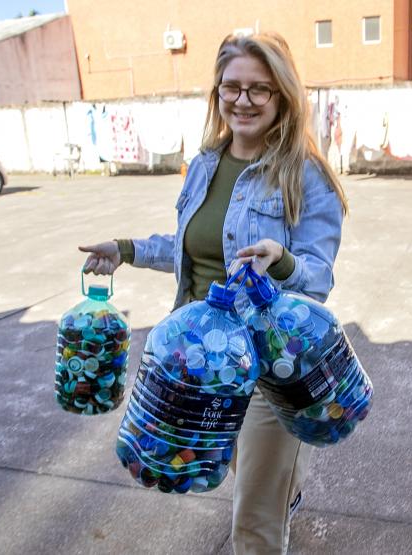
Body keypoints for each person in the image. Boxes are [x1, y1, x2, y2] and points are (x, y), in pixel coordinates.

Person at [79, 32, 348, 554]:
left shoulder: (305, 175)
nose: (242, 100)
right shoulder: (204, 164)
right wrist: (126, 249)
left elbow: (318, 277)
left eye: (259, 89)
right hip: (203, 363)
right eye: (232, 87)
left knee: (253, 522)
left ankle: (273, 493)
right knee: (213, 463)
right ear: (217, 92)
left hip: (272, 368)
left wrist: (283, 261)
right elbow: (190, 248)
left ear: (282, 96)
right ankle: (279, 482)